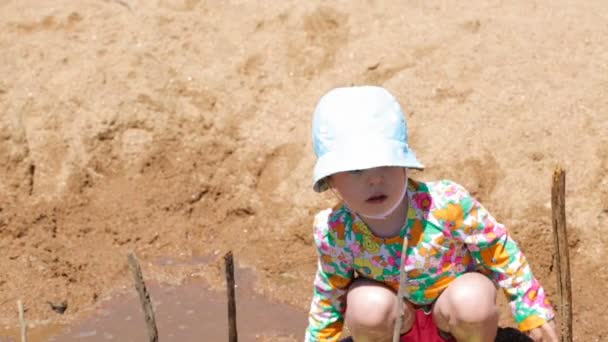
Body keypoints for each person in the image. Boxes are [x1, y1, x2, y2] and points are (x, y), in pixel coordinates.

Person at [304, 86, 557, 342]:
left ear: (404, 164)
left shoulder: (445, 203)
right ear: (331, 181)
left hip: (453, 320)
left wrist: (531, 309)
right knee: (366, 304)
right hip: (396, 326)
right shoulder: (335, 231)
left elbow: (499, 250)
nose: (375, 179)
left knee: (472, 298)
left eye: (386, 163)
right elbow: (329, 296)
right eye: (356, 170)